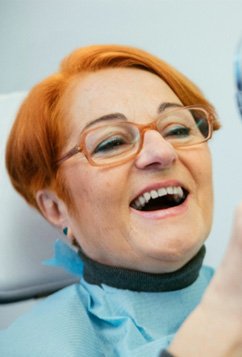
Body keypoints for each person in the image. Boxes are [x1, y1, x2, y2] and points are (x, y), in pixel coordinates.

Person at [1, 44, 242, 357]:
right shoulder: (29, 347)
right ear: (56, 207)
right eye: (112, 142)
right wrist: (222, 317)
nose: (162, 152)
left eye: (178, 129)